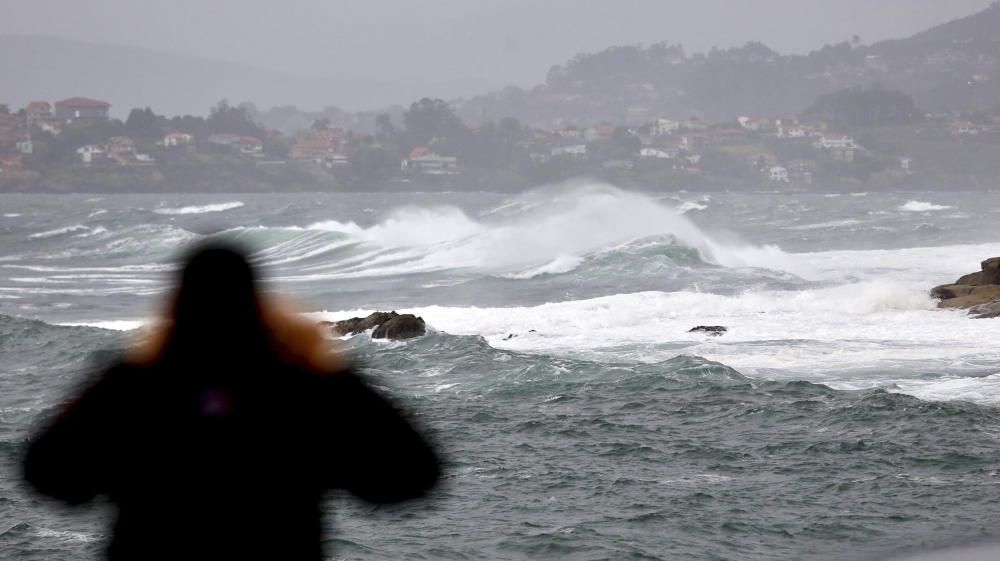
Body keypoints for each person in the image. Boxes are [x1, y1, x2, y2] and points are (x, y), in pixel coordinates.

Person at [23, 242, 440, 560]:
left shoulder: (135, 384)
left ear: (177, 305)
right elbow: (413, 473)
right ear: (258, 305)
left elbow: (46, 471)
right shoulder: (308, 385)